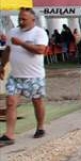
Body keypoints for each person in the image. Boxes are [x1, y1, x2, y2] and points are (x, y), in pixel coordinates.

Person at [0, 8, 48, 147]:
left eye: (24, 19)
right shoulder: (13, 32)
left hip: (34, 76)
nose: (20, 21)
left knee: (37, 101)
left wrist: (21, 43)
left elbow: (40, 50)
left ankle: (40, 127)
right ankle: (9, 134)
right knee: (10, 102)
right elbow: (8, 50)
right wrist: (2, 65)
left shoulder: (40, 33)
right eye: (20, 18)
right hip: (15, 76)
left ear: (33, 20)